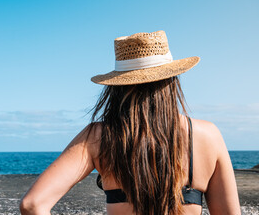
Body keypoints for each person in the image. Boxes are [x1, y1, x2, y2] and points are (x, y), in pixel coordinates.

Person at [20, 31, 241, 214]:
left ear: (117, 86)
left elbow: (33, 205)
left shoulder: (99, 137)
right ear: (172, 79)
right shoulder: (207, 135)